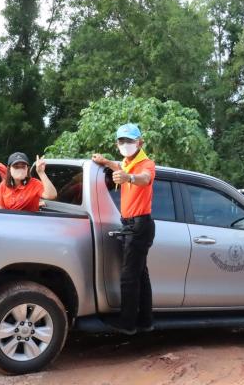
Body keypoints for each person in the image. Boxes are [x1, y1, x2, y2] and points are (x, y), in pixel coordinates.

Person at [92, 123, 156, 335]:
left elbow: (145, 179)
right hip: (133, 225)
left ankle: (127, 324)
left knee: (129, 277)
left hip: (139, 225)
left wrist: (129, 178)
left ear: (140, 142)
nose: (125, 144)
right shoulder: (128, 163)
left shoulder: (146, 164)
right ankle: (145, 321)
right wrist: (106, 162)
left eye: (130, 141)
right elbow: (120, 168)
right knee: (140, 276)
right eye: (122, 141)